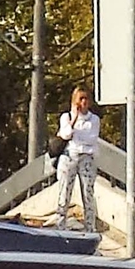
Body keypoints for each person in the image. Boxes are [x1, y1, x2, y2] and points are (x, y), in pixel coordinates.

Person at [54, 87, 104, 232]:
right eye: (80, 99)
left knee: (88, 194)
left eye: (86, 99)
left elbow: (91, 138)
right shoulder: (66, 117)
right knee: (64, 193)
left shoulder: (94, 119)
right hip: (69, 156)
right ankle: (60, 226)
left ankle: (90, 227)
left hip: (86, 157)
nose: (83, 102)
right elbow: (65, 134)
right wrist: (74, 119)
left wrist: (77, 137)